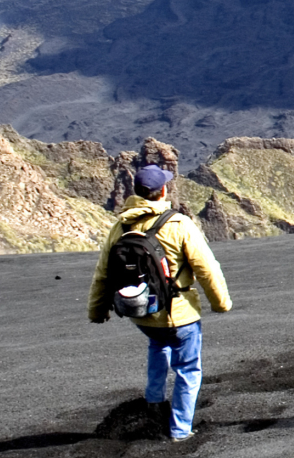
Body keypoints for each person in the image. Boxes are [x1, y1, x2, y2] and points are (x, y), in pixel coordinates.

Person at [86, 164, 231, 442]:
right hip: (180, 315)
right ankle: (180, 430)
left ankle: (154, 405)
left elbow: (103, 273)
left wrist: (97, 311)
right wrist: (220, 303)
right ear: (162, 191)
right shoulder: (178, 224)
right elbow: (206, 268)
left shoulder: (121, 226)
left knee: (158, 345)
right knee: (188, 369)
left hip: (141, 314)